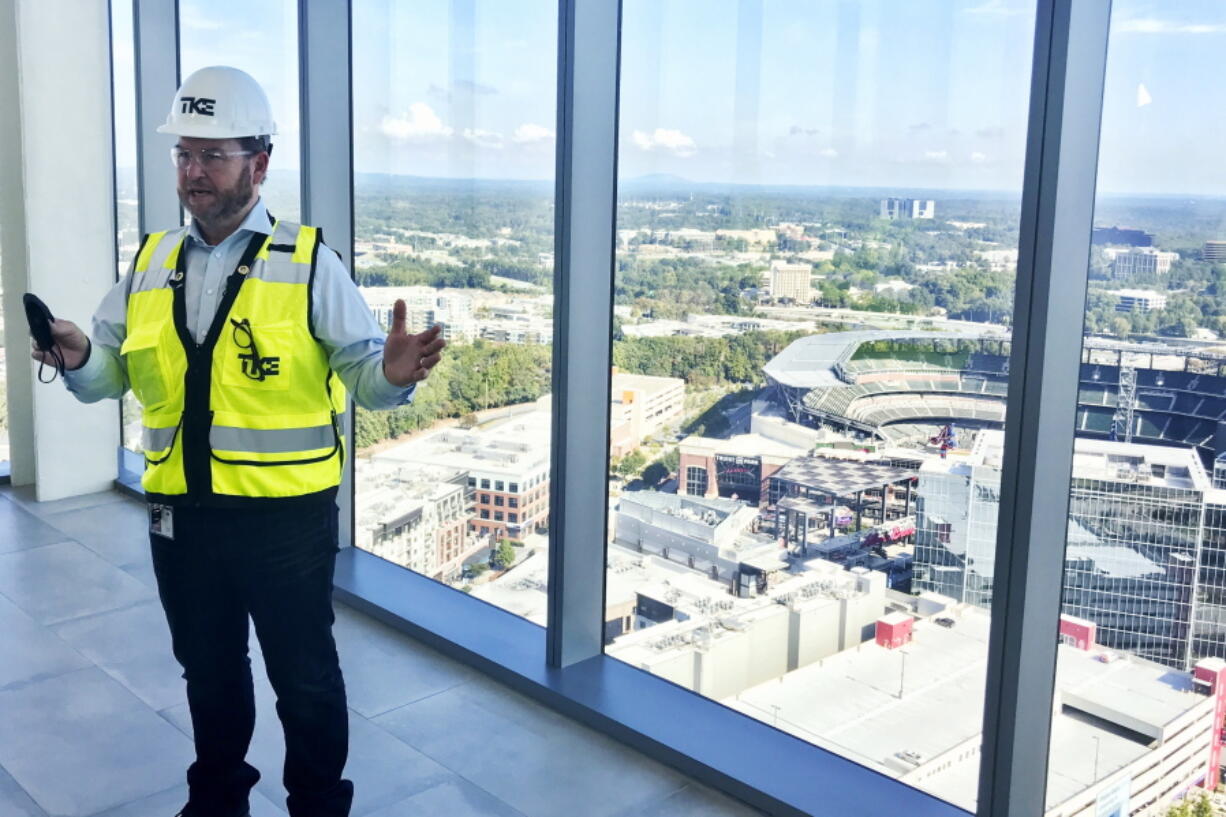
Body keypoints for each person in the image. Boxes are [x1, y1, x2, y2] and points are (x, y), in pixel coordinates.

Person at [30, 66, 445, 817]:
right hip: (180, 512)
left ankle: (318, 804)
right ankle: (217, 800)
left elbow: (366, 381)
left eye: (212, 155)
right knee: (208, 672)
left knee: (305, 678)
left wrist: (392, 372)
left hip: (284, 519)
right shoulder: (151, 261)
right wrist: (77, 356)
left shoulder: (308, 262)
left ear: (259, 164)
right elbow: (108, 378)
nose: (193, 171)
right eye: (184, 154)